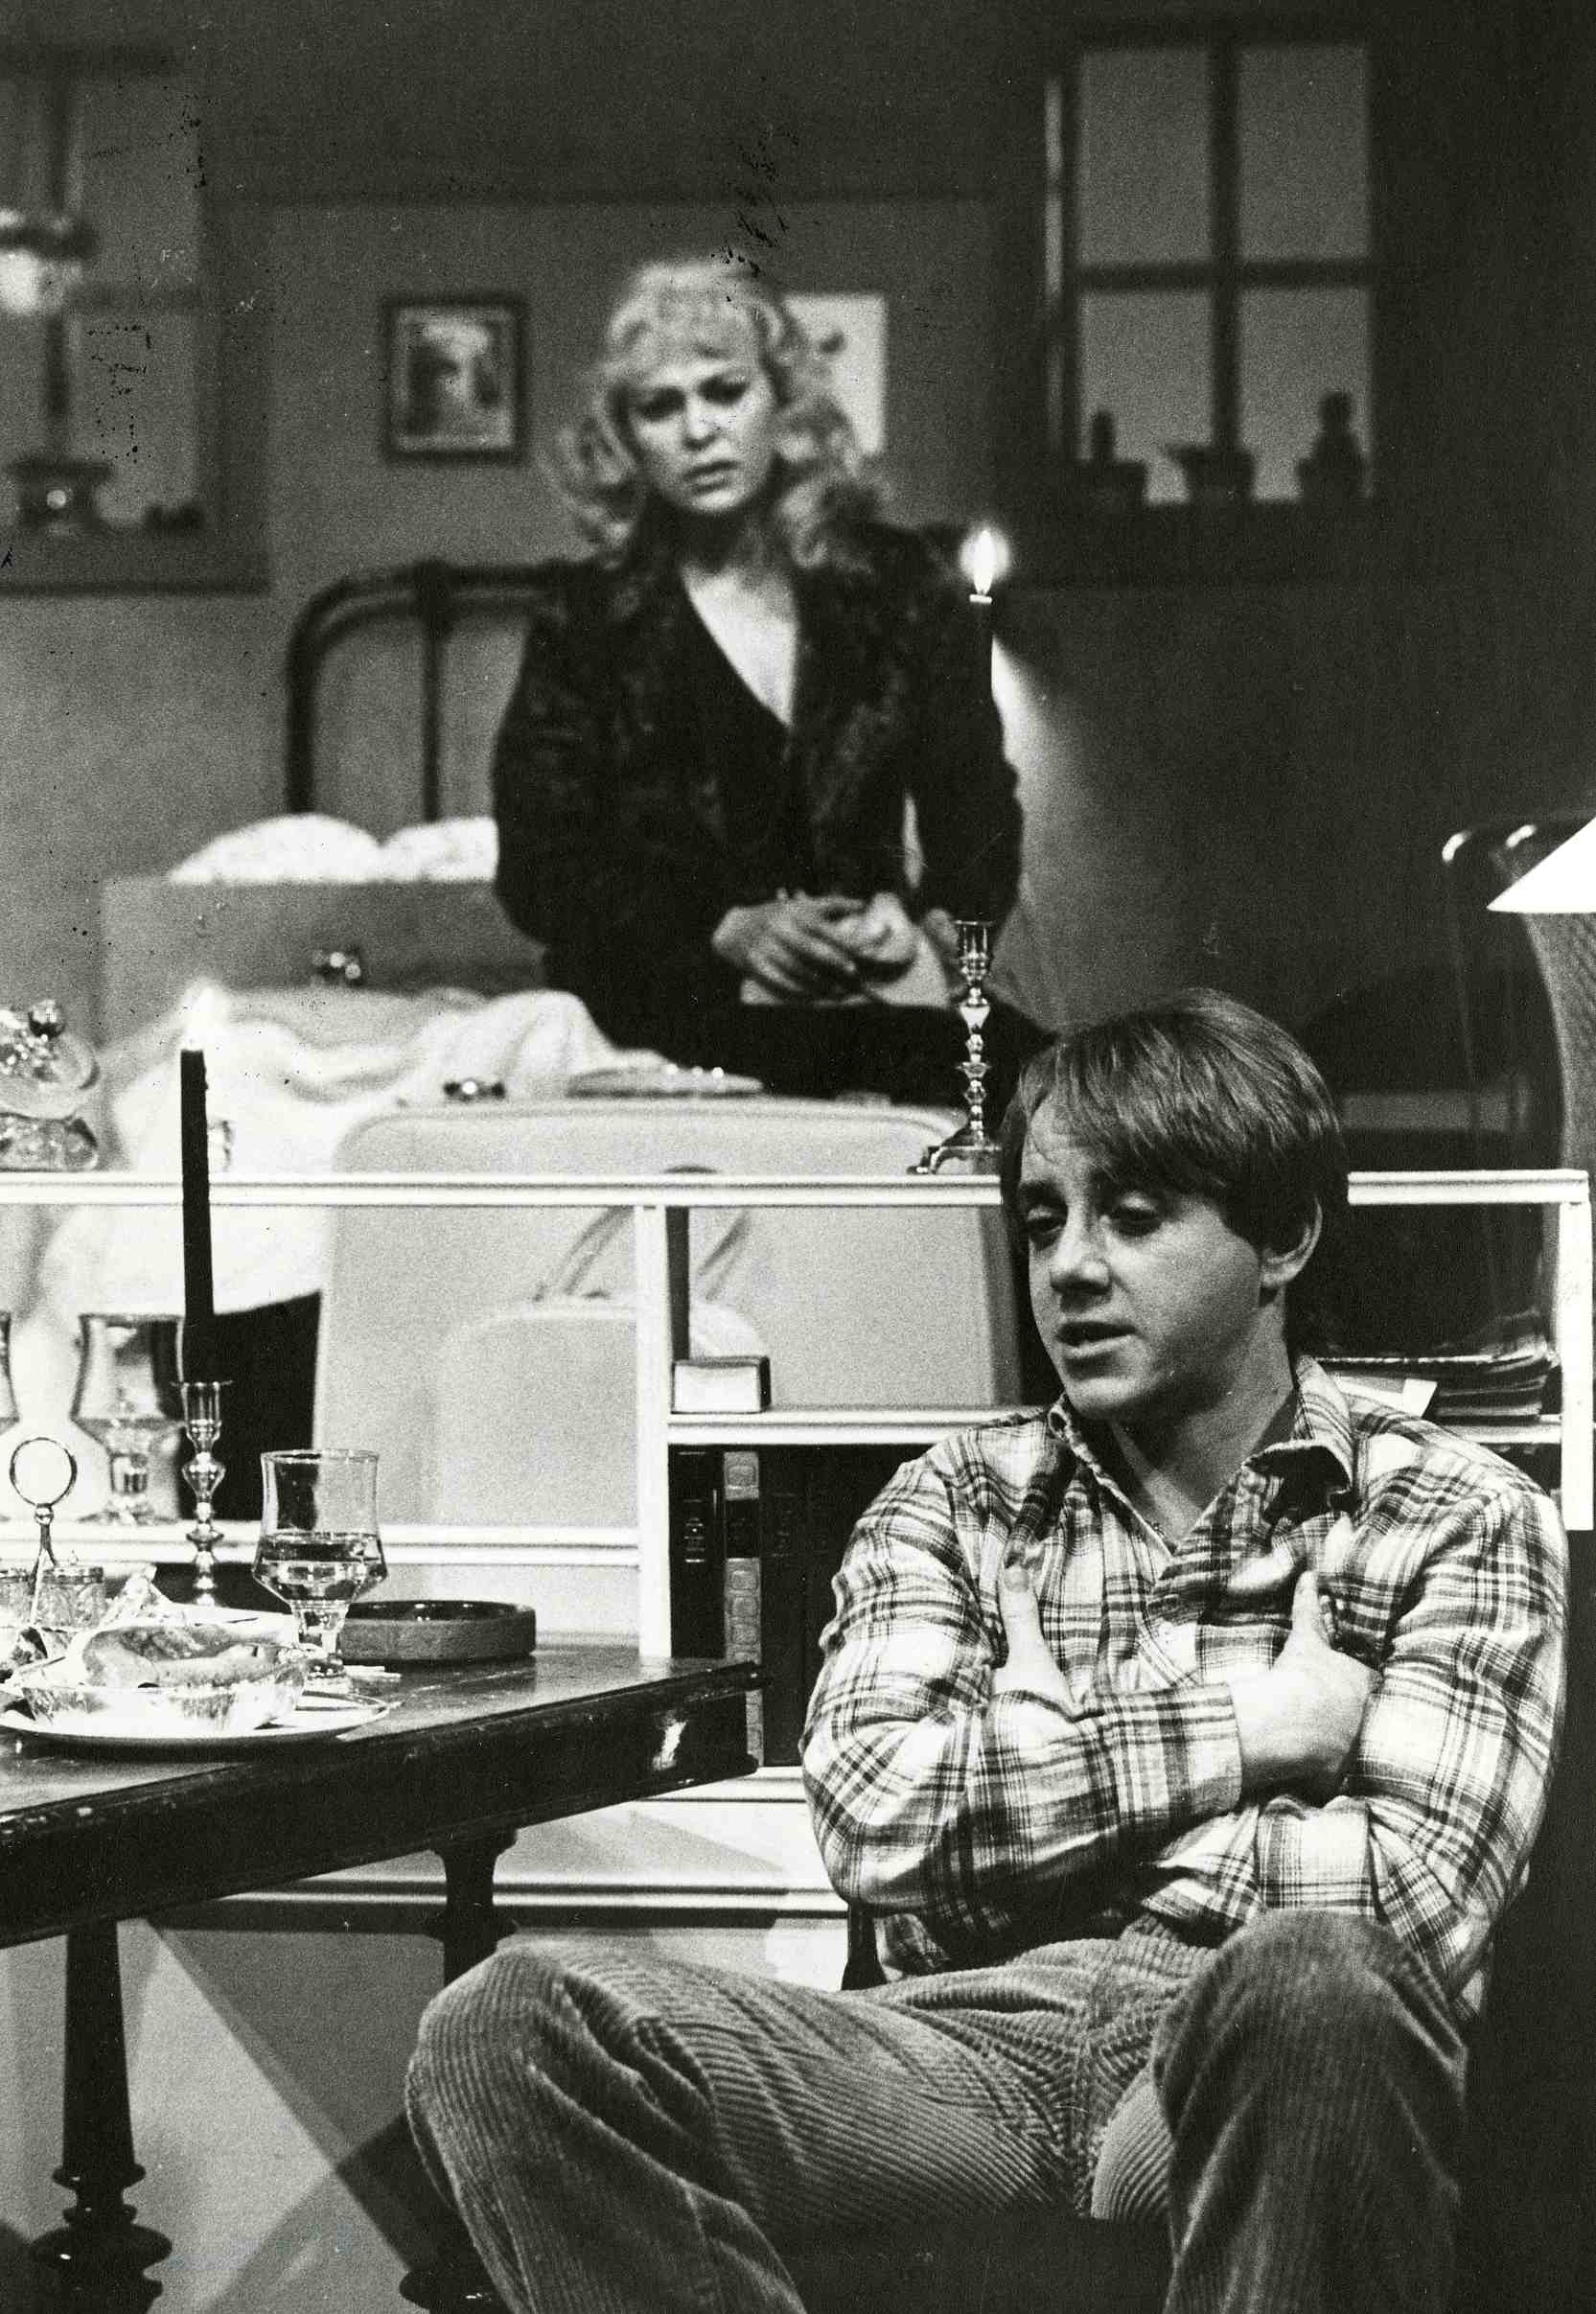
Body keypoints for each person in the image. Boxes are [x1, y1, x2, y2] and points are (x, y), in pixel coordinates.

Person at [405, 987, 1567, 2314]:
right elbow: (879, 1821)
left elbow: (1407, 1900)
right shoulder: (953, 1498)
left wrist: (1033, 1775)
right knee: (507, 2027)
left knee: (1315, 1981)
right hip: (953, 2058)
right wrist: (1247, 1730)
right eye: (1043, 1220)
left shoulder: (1452, 1509)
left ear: (1284, 1237)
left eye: (1134, 1217)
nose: (1070, 1266)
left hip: (1229, 2057)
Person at [490, 255, 1041, 1102]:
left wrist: (931, 934)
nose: (698, 430)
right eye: (659, 407)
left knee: (1072, 1095)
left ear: (782, 403)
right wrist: (723, 928)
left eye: (725, 391)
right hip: (668, 1010)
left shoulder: (902, 587)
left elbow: (975, 813)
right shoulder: (586, 620)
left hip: (878, 994)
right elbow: (540, 868)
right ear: (626, 439)